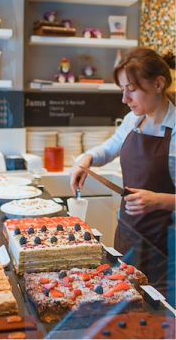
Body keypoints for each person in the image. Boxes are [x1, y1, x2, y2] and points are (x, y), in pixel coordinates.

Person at [69, 47, 176, 296]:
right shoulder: (133, 120)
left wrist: (158, 200)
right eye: (122, 90)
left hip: (166, 248)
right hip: (128, 236)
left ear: (158, 84)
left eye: (132, 89)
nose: (124, 99)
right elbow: (109, 148)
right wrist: (87, 159)